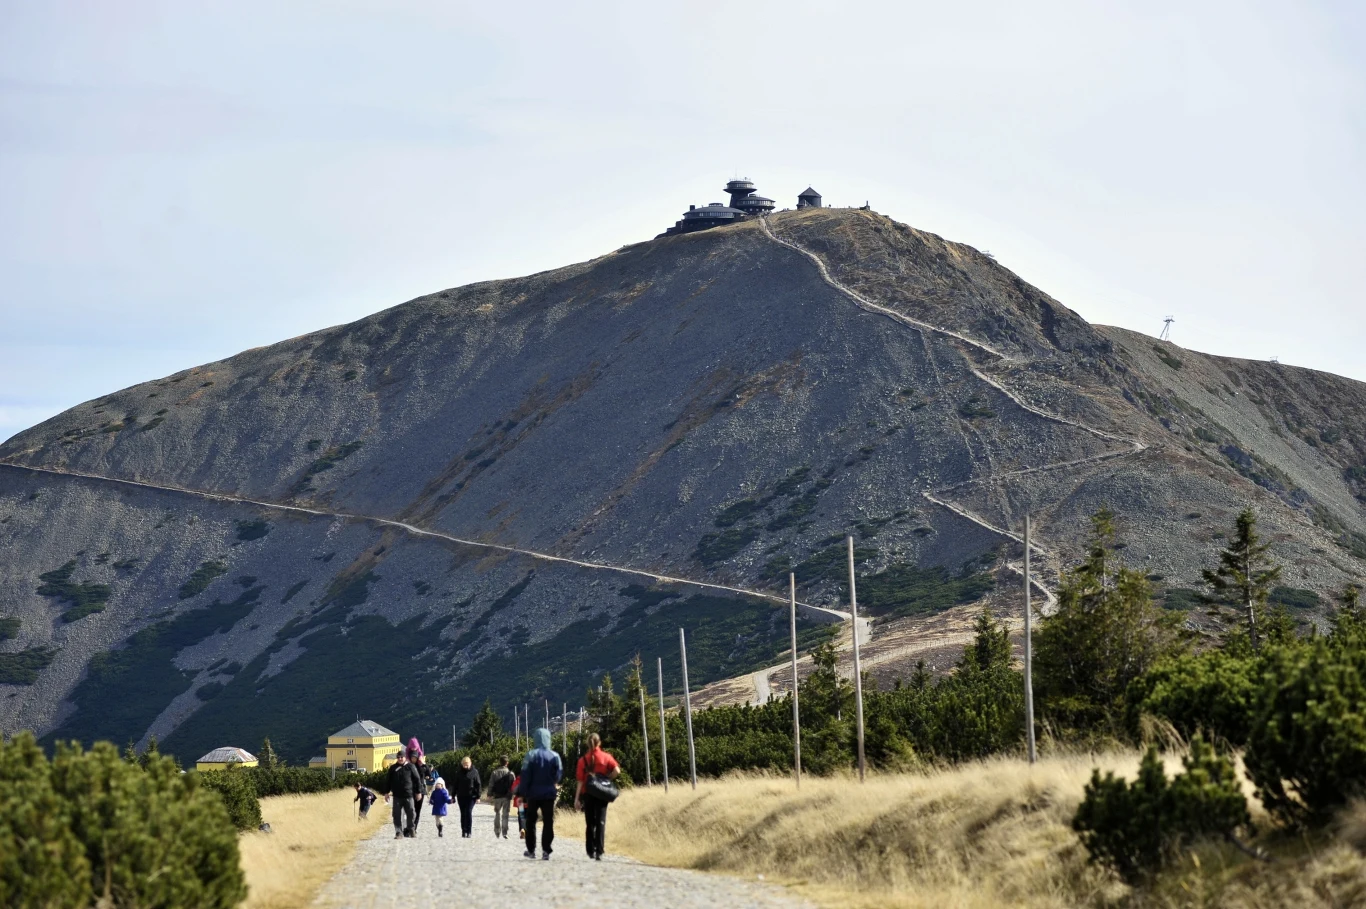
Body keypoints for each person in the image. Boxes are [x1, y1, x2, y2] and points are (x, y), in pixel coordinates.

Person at [515, 727, 562, 860]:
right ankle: (546, 850)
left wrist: (522, 794)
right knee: (548, 822)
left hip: (533, 795)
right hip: (549, 794)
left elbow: (525, 777)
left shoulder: (530, 755)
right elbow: (558, 775)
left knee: (531, 822)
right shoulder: (555, 756)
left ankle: (531, 850)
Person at [574, 732, 621, 860]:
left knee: (590, 823)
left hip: (587, 793)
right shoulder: (606, 757)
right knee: (601, 821)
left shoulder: (582, 760)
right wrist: (607, 778)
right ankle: (599, 850)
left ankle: (590, 849)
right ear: (599, 743)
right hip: (601, 793)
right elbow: (617, 770)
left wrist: (577, 799)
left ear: (587, 744)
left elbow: (580, 781)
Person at [385, 751, 427, 838]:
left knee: (411, 813)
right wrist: (386, 792)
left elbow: (417, 779)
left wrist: (418, 792)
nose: (400, 759)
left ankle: (411, 828)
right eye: (398, 757)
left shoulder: (410, 767)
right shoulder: (393, 768)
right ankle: (398, 832)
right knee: (396, 814)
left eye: (402, 757)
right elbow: (388, 781)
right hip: (397, 796)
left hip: (409, 795)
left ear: (405, 758)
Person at [452, 755, 482, 838]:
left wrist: (478, 796)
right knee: (463, 813)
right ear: (462, 764)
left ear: (470, 763)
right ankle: (463, 831)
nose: (466, 765)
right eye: (464, 764)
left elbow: (478, 784)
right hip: (461, 796)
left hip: (471, 796)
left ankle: (469, 831)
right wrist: (453, 796)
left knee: (468, 812)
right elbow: (455, 785)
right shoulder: (459, 773)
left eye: (467, 763)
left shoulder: (475, 772)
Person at [487, 756, 515, 839]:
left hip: (497, 796)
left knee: (497, 813)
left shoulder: (494, 772)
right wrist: (513, 794)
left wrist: (489, 794)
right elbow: (514, 785)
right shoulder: (511, 773)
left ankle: (497, 831)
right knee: (505, 815)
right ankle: (505, 832)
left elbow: (491, 784)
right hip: (507, 797)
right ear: (507, 763)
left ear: (500, 762)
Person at [409, 747, 430, 831]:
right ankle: (410, 826)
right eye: (412, 757)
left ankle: (414, 827)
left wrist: (424, 763)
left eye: (415, 757)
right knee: (411, 810)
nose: (413, 759)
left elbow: (429, 773)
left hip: (420, 790)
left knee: (417, 810)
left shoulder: (421, 767)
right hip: (410, 791)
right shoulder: (408, 766)